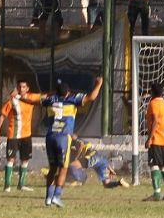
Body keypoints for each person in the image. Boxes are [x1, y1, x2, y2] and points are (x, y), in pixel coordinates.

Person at [16, 77, 103, 207]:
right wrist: (99, 84)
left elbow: (31, 100)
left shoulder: (50, 100)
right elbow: (91, 97)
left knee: (52, 168)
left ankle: (48, 197)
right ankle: (56, 196)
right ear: (68, 93)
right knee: (63, 168)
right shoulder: (72, 100)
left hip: (50, 137)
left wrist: (19, 97)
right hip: (63, 137)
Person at [0, 80, 41, 192]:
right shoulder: (12, 101)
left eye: (23, 87)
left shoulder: (31, 98)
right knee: (11, 159)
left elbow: (43, 97)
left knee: (25, 160)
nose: (21, 89)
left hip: (26, 135)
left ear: (27, 88)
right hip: (13, 135)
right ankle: (7, 186)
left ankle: (21, 185)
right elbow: (2, 116)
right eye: (19, 87)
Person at [144, 82, 164, 201]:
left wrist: (149, 138)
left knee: (154, 165)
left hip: (157, 139)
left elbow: (156, 121)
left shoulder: (154, 103)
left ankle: (156, 193)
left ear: (152, 92)